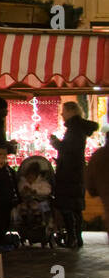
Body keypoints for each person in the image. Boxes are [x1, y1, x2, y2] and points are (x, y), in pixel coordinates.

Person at [51, 101, 98, 249]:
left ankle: (73, 238)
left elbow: (69, 149)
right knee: (75, 207)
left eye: (63, 111)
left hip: (69, 175)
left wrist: (55, 143)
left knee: (68, 206)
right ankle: (76, 237)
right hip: (74, 173)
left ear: (71, 111)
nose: (61, 114)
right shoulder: (77, 128)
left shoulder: (74, 128)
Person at [0, 143, 19, 250]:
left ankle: (3, 241)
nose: (3, 157)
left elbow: (14, 184)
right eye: (0, 154)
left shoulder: (9, 170)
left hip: (8, 200)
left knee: (6, 221)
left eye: (4, 155)